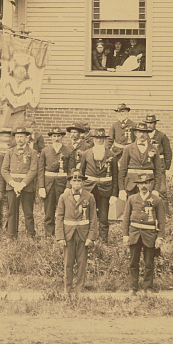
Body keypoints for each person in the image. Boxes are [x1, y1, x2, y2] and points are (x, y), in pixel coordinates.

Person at [56, 169, 99, 300]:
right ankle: (67, 289)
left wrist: (91, 237)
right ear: (69, 182)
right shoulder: (63, 197)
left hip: (83, 234)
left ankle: (80, 289)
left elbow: (93, 218)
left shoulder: (89, 197)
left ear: (83, 183)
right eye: (74, 181)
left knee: (82, 263)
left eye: (79, 181)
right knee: (68, 263)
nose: (76, 183)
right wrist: (60, 237)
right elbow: (59, 217)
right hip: (68, 234)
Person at [121, 170, 166, 295]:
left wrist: (160, 237)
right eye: (141, 183)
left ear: (150, 184)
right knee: (133, 262)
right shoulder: (131, 199)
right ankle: (132, 288)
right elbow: (125, 219)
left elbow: (161, 220)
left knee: (149, 263)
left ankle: (148, 287)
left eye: (146, 183)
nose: (144, 186)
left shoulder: (156, 200)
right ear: (137, 185)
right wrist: (125, 235)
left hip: (150, 234)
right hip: (134, 234)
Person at [2, 126, 39, 240]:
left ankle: (30, 235)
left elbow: (33, 170)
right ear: (14, 138)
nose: (19, 139)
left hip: (26, 187)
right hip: (12, 186)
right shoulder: (10, 152)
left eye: (22, 137)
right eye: (17, 137)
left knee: (28, 212)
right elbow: (4, 169)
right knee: (12, 211)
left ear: (27, 138)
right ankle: (11, 235)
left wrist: (22, 184)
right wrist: (13, 183)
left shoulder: (32, 152)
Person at [82, 127, 117, 242]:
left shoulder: (111, 154)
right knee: (87, 215)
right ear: (93, 139)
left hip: (105, 188)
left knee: (103, 217)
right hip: (89, 188)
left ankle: (103, 241)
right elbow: (82, 173)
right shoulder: (86, 153)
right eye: (97, 138)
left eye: (101, 138)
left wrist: (114, 194)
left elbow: (115, 176)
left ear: (104, 139)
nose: (99, 141)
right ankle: (87, 238)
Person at [38, 127, 74, 240]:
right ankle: (49, 235)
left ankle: (62, 234)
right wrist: (41, 186)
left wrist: (69, 186)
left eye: (58, 136)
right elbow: (40, 170)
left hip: (63, 185)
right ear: (51, 137)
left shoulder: (68, 151)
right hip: (49, 184)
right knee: (49, 211)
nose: (56, 138)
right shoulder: (45, 151)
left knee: (63, 210)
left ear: (62, 137)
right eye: (54, 136)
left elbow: (71, 170)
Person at [118, 125, 160, 203]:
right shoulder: (128, 148)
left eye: (144, 132)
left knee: (148, 209)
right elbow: (122, 171)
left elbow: (158, 171)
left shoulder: (154, 149)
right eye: (139, 132)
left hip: (148, 184)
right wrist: (121, 189)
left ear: (147, 134)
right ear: (135, 133)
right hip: (131, 184)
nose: (142, 134)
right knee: (131, 209)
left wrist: (156, 189)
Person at [107, 103, 136, 198]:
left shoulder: (133, 125)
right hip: (117, 153)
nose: (121, 114)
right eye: (119, 112)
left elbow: (136, 140)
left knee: (128, 172)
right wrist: (106, 151)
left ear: (127, 113)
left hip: (130, 153)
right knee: (117, 172)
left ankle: (129, 192)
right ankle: (117, 193)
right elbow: (110, 140)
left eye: (123, 112)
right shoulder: (114, 125)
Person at [145, 114, 173, 193]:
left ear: (155, 124)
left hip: (160, 166)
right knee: (147, 188)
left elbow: (168, 153)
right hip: (147, 165)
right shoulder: (144, 136)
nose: (149, 125)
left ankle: (162, 205)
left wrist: (167, 168)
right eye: (147, 123)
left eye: (151, 123)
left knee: (161, 190)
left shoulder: (162, 136)